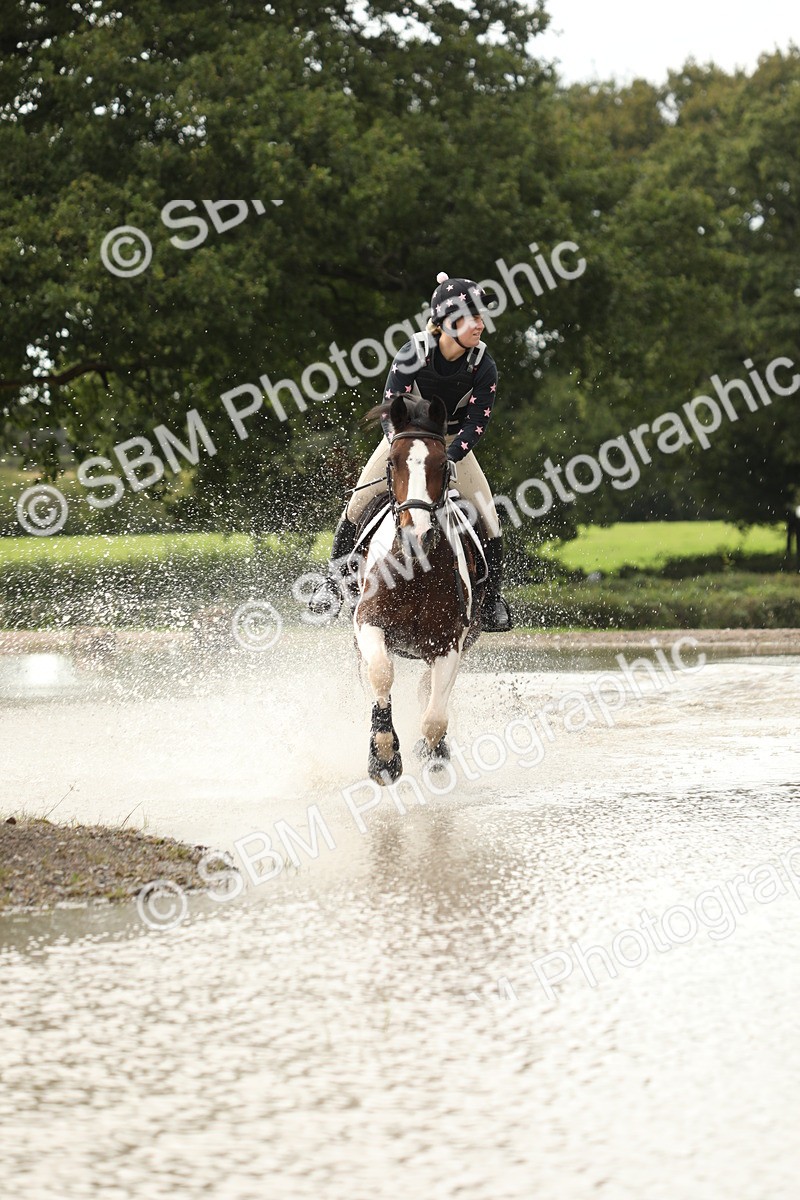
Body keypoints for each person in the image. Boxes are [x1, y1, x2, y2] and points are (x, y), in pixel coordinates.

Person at [308, 271, 513, 631]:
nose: (480, 325)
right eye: (472, 317)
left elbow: (476, 423)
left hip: (451, 446)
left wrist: (448, 459)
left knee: (490, 521)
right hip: (403, 441)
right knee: (356, 507)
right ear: (448, 322)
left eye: (481, 317)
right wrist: (400, 448)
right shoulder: (412, 353)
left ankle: (490, 601)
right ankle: (333, 584)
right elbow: (389, 413)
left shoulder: (484, 366)